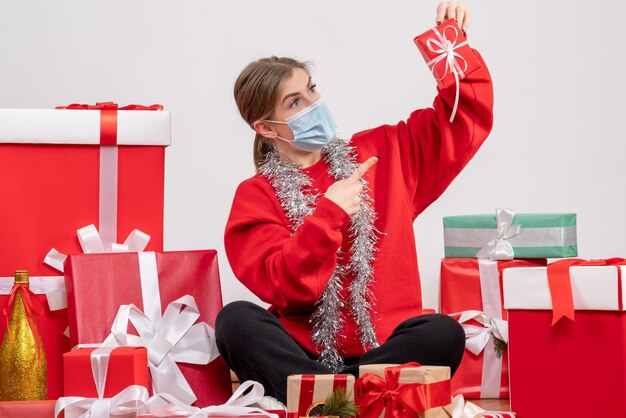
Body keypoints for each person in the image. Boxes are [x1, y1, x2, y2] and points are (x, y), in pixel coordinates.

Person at [216, 1, 493, 404]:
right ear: (265, 127)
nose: (313, 103)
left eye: (311, 89)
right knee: (234, 321)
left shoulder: (382, 151)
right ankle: (359, 395)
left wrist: (449, 46)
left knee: (442, 332)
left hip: (385, 347)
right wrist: (328, 215)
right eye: (295, 102)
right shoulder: (256, 195)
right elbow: (284, 284)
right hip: (303, 353)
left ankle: (329, 398)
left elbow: (463, 120)